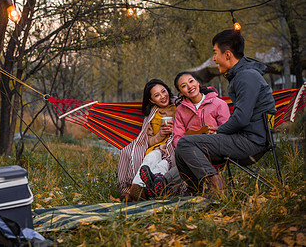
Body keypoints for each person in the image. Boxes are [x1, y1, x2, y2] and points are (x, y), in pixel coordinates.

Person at [175, 29, 276, 195]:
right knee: (181, 148)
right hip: (247, 138)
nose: (214, 58)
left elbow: (241, 119)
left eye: (215, 53)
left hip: (252, 143)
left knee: (186, 143)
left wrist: (219, 131)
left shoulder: (246, 77)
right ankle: (194, 192)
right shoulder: (243, 75)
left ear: (227, 54)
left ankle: (217, 187)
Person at [117, 79, 176, 201]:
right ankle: (136, 188)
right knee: (150, 158)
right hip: (157, 148)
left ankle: (146, 190)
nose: (162, 96)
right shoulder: (152, 114)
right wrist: (160, 134)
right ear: (151, 100)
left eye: (163, 91)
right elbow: (147, 141)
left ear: (168, 90)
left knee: (162, 165)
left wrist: (174, 131)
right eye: (157, 95)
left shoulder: (180, 106)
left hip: (174, 148)